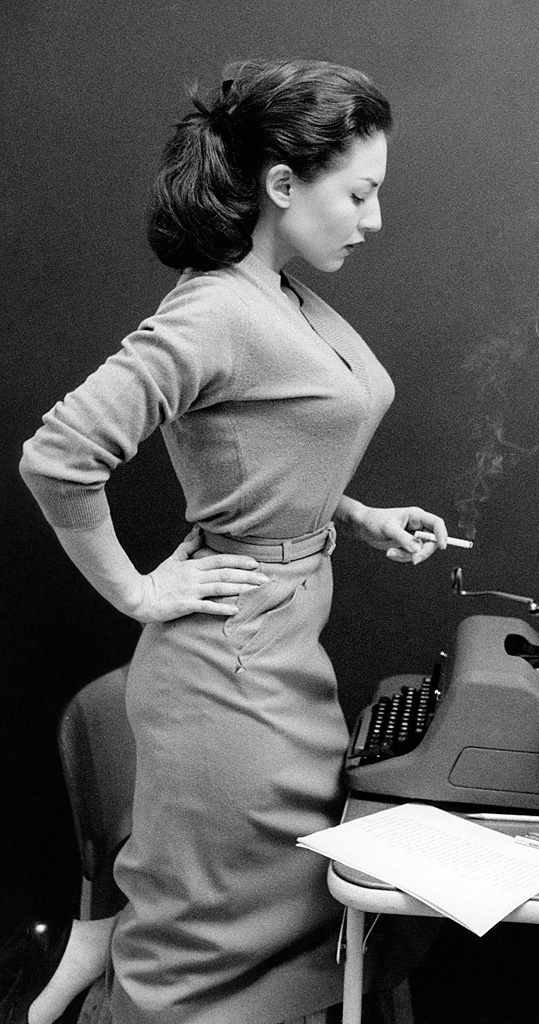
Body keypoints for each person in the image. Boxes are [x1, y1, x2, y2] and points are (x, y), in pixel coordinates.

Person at [7, 57, 448, 1024]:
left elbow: (263, 443)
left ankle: (111, 964)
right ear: (283, 185)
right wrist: (133, 591)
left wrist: (356, 513)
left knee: (299, 908)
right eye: (360, 193)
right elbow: (60, 455)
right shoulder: (213, 310)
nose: (373, 220)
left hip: (286, 649)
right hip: (227, 671)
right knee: (215, 938)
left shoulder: (281, 295)